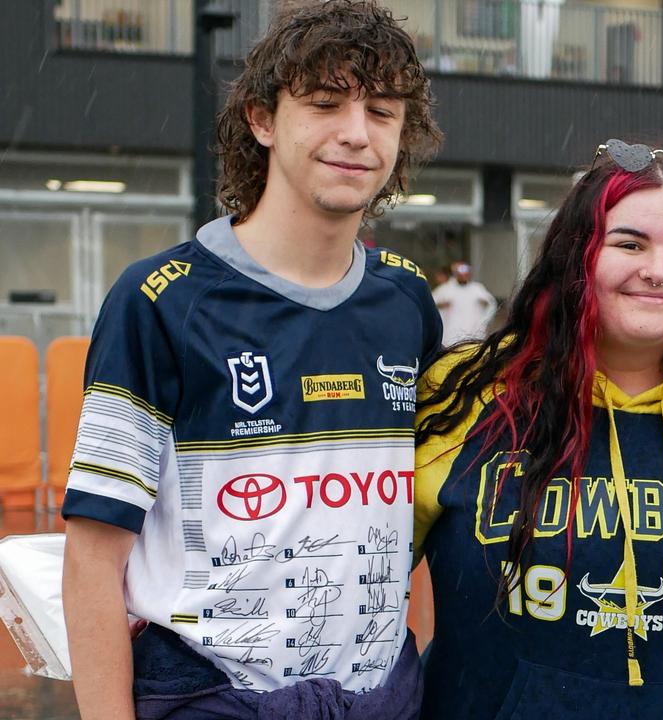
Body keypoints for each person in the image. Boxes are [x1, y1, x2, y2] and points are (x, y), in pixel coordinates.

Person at [61, 2, 443, 718]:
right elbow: (92, 558)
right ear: (263, 121)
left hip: (380, 698)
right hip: (211, 698)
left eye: (383, 112)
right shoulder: (159, 301)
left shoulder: (406, 301)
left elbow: (416, 519)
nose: (356, 134)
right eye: (325, 104)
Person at [413, 139, 663, 719]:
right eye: (629, 243)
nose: (659, 270)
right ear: (577, 255)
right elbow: (363, 580)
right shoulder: (465, 391)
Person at [433, 261, 496, 345]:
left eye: (466, 274)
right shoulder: (445, 289)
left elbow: (491, 304)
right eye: (461, 274)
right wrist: (441, 305)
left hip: (473, 332)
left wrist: (485, 304)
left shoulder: (477, 288)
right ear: (456, 274)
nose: (463, 277)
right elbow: (431, 304)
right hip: (451, 334)